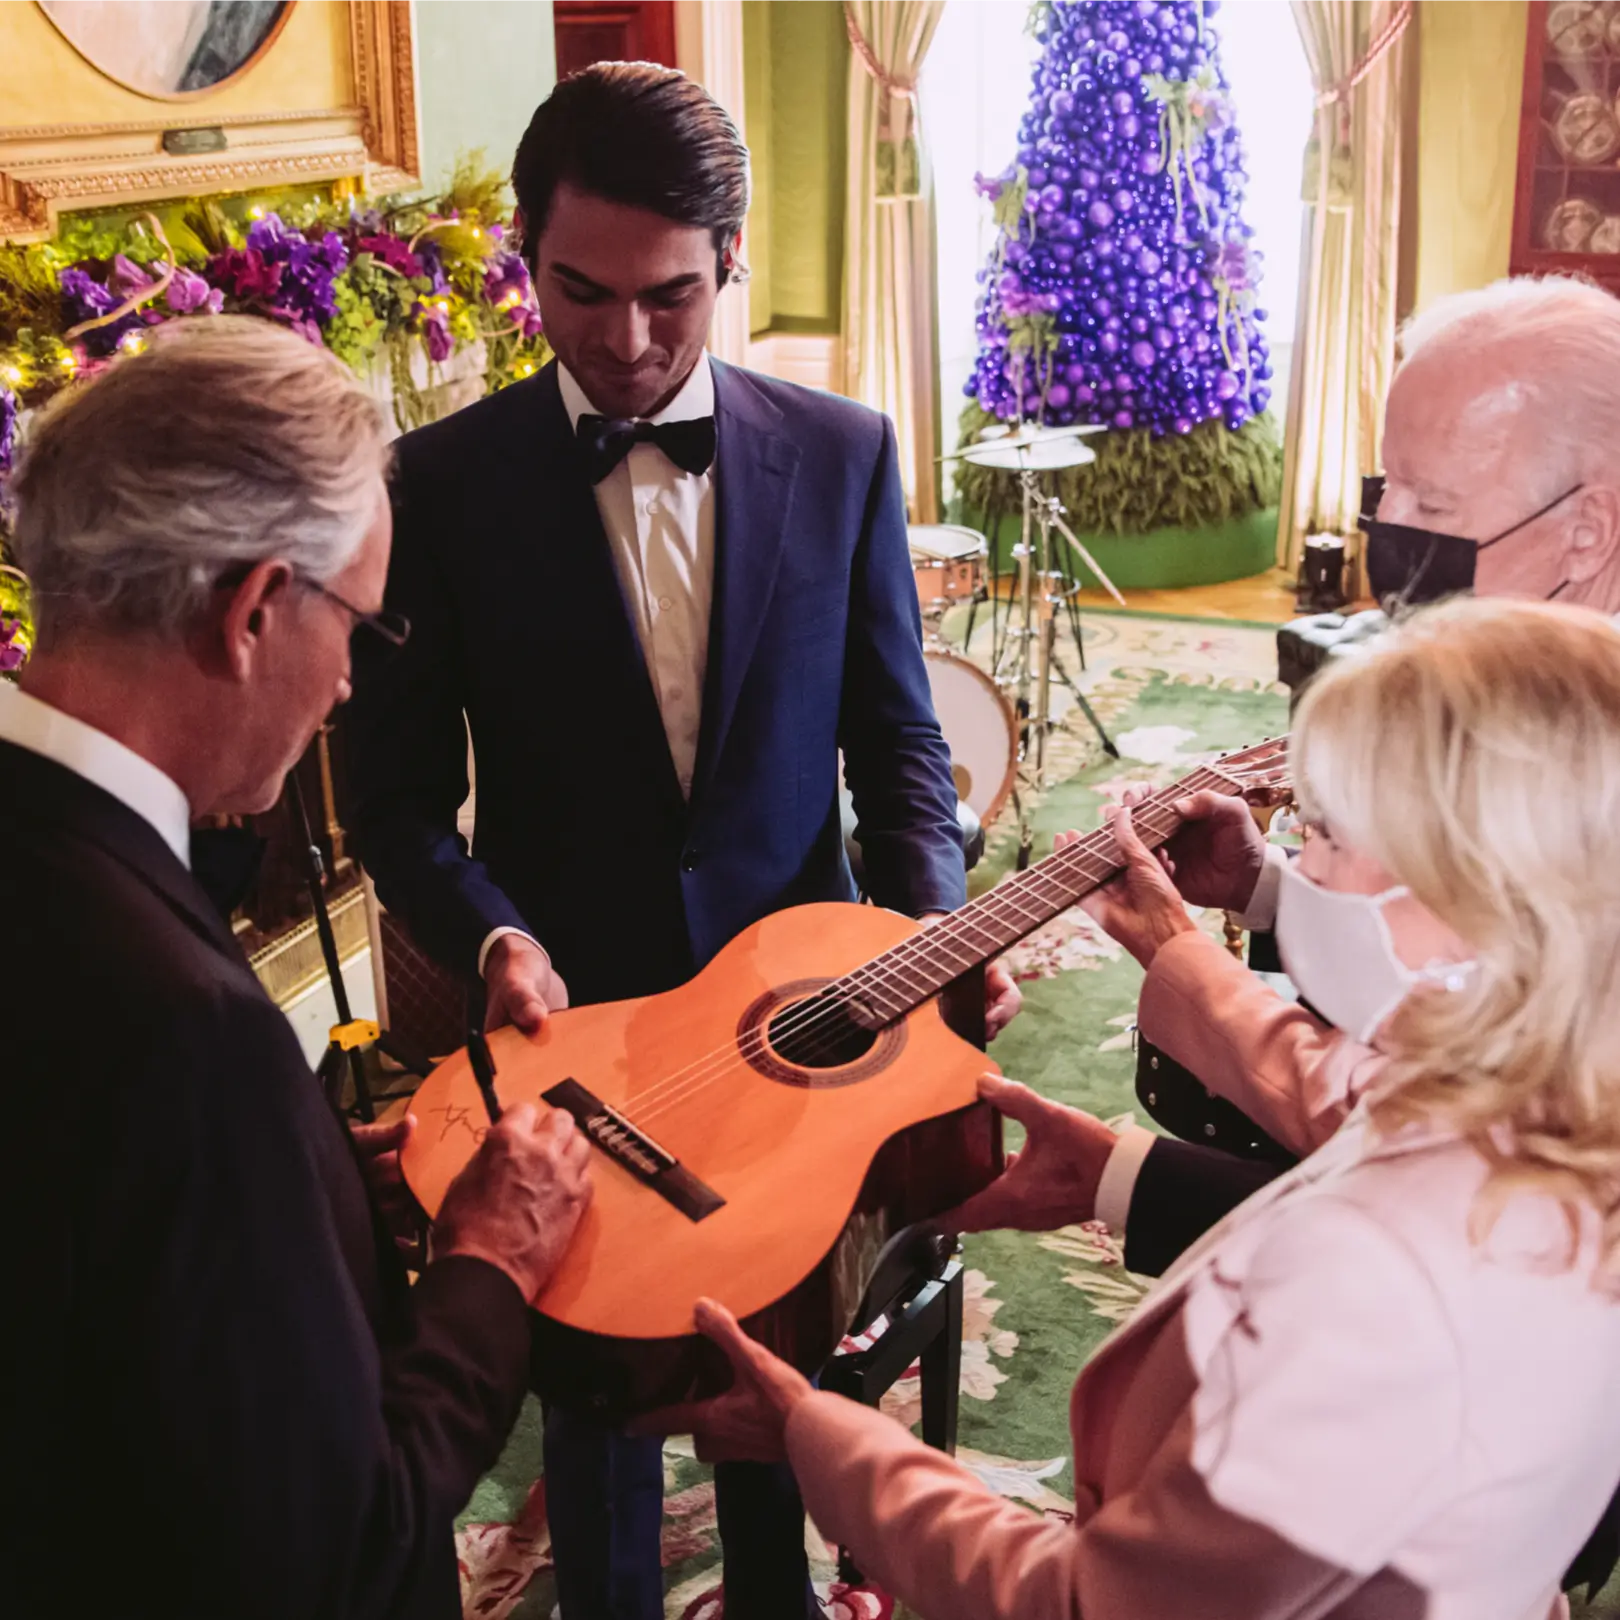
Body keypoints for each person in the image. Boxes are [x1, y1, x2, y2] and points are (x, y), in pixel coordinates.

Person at [343, 61, 1018, 1620]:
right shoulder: (434, 488)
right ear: (528, 255)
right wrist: (490, 931)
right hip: (578, 1037)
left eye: (672, 297)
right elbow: (389, 799)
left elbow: (901, 746)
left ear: (731, 259)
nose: (627, 341)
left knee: (781, 1387)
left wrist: (926, 931)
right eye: (580, 292)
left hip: (805, 1035)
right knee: (597, 1409)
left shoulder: (843, 451)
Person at [651, 596, 1620, 1618]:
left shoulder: (1381, 1288)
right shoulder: (1560, 1100)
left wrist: (821, 1435)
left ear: (1493, 904)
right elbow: (1374, 1107)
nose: (1307, 872)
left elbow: (1085, 1605)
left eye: (1327, 834)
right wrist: (1115, 1172)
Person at [1, 318, 593, 1620]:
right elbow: (343, 1534)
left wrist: (306, 1191)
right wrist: (492, 1260)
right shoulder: (190, 1029)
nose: (342, 693)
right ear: (259, 611)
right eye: (364, 634)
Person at [1111, 272, 1620, 1272]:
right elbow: (1457, 943)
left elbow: (1434, 1128)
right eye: (1392, 494)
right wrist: (1267, 890)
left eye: (1437, 504)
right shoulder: (1524, 675)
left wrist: (1186, 961)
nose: (1392, 545)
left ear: (1588, 529)